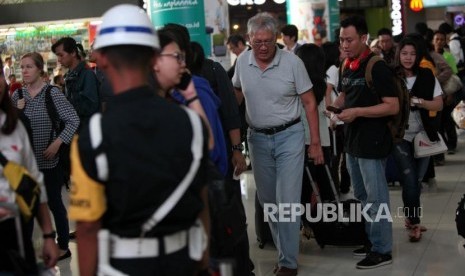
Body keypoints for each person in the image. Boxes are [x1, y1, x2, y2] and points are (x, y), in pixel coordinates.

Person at [69, 4, 210, 276]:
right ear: (153, 57)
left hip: (124, 267)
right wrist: (202, 257)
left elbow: (87, 227)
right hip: (184, 261)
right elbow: (201, 198)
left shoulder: (94, 134)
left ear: (101, 58)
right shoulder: (191, 122)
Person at [233, 12, 324, 276]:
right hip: (257, 138)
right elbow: (235, 96)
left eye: (268, 41)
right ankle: (286, 252)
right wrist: (231, 139)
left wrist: (314, 142)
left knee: (287, 200)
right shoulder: (242, 62)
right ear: (250, 39)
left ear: (276, 38)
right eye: (257, 41)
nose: (263, 47)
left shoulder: (292, 63)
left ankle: (288, 262)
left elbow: (308, 102)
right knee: (269, 201)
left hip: (290, 136)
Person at [334, 15, 398, 269]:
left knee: (376, 197)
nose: (345, 45)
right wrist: (335, 109)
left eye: (349, 40)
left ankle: (383, 250)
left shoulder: (376, 66)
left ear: (363, 38)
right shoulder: (346, 65)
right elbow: (344, 94)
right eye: (341, 40)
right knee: (361, 194)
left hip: (373, 142)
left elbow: (392, 106)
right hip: (352, 140)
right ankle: (372, 241)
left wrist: (358, 112)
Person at [11, 52, 80, 261]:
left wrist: (57, 143)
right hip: (25, 165)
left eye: (29, 67)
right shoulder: (18, 97)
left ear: (40, 69)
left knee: (54, 204)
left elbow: (73, 119)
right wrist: (16, 111)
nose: (24, 71)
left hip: (50, 162)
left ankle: (63, 245)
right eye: (22, 67)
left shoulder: (52, 94)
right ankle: (27, 249)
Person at [0, 57, 59, 274]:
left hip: (16, 239)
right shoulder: (19, 96)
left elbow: (34, 183)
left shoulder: (14, 126)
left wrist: (47, 235)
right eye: (22, 67)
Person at [392, 37, 443, 242]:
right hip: (400, 135)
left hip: (424, 135)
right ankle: (414, 222)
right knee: (410, 179)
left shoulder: (427, 75)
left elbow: (438, 104)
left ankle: (410, 217)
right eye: (404, 53)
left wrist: (419, 102)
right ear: (399, 54)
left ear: (418, 55)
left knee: (416, 181)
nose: (408, 58)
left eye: (412, 54)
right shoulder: (391, 75)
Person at [51, 37, 100, 127]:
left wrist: (64, 105)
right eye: (57, 56)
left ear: (73, 53)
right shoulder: (69, 75)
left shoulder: (86, 74)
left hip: (85, 131)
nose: (58, 59)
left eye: (61, 55)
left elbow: (91, 107)